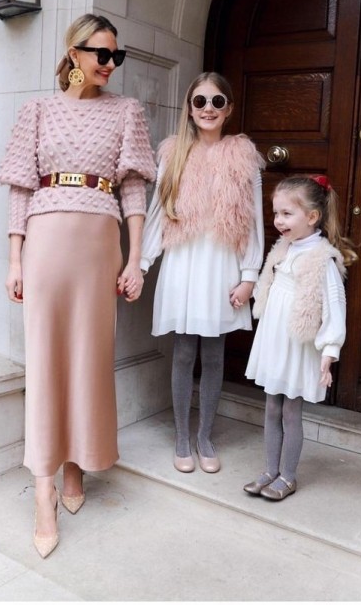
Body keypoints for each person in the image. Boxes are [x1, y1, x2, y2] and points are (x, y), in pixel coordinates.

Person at [0, 14, 156, 558]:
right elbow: (20, 189)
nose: (110, 64)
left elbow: (133, 192)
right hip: (45, 241)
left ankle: (75, 462)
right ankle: (43, 487)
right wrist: (14, 259)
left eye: (116, 56)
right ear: (74, 53)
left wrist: (136, 259)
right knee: (45, 359)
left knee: (89, 358)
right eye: (101, 54)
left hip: (98, 244)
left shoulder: (126, 111)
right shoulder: (37, 110)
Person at [140, 72, 265, 474]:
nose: (208, 108)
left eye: (216, 101)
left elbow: (253, 222)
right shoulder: (174, 154)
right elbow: (157, 215)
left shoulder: (243, 157)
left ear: (228, 109)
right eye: (200, 101)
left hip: (222, 265)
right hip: (184, 263)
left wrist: (249, 275)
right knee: (183, 351)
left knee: (214, 353)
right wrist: (141, 264)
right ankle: (182, 437)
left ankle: (205, 436)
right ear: (190, 109)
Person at [243, 175, 358, 500]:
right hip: (275, 340)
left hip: (297, 345)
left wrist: (329, 351)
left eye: (287, 214)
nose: (278, 221)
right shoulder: (282, 249)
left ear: (312, 216)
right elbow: (270, 289)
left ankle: (288, 476)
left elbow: (335, 308)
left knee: (290, 412)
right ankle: (270, 470)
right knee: (271, 408)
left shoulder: (323, 259)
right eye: (276, 213)